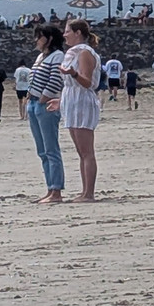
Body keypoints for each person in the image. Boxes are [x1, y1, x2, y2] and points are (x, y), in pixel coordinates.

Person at [49, 19, 101, 203]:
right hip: (72, 100)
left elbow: (87, 82)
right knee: (81, 152)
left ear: (78, 33)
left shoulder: (84, 52)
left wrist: (73, 73)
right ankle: (84, 191)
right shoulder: (74, 52)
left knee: (87, 151)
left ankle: (89, 193)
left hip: (82, 101)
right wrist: (61, 101)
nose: (64, 35)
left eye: (67, 31)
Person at [28, 24, 66, 204]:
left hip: (45, 105)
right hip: (34, 103)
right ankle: (50, 188)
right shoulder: (41, 57)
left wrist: (43, 99)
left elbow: (55, 80)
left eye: (40, 36)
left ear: (49, 39)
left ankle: (56, 190)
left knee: (51, 149)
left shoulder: (57, 56)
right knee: (42, 150)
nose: (36, 40)